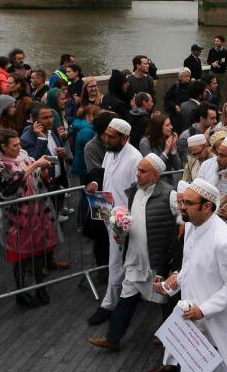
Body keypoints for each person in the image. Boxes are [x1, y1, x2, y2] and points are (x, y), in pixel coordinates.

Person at [154, 178, 227, 372]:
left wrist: (203, 310)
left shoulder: (225, 241)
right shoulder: (191, 225)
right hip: (192, 314)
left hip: (219, 320)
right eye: (181, 202)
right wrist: (172, 284)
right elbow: (191, 264)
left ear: (207, 207)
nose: (182, 207)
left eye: (188, 203)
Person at [87, 153, 177, 353]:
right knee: (126, 298)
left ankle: (171, 337)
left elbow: (182, 222)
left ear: (155, 176)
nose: (137, 174)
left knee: (164, 301)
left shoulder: (169, 194)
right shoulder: (133, 192)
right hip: (134, 258)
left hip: (155, 261)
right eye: (137, 170)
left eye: (142, 171)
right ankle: (113, 338)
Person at [0, 129, 56, 309]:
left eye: (19, 144)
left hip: (36, 212)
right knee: (20, 256)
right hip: (15, 216)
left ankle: (40, 287)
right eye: (15, 145)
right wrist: (34, 166)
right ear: (4, 147)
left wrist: (43, 170)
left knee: (37, 250)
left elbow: (41, 182)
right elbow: (9, 185)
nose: (19, 148)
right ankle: (21, 292)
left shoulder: (25, 159)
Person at [85, 117, 142, 325]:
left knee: (116, 262)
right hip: (107, 214)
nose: (106, 139)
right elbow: (105, 177)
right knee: (119, 261)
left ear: (124, 137)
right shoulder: (110, 152)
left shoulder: (135, 158)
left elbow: (139, 191)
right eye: (106, 135)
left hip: (124, 221)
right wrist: (94, 183)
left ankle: (109, 304)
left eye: (111, 136)